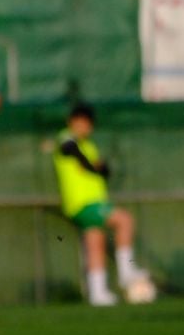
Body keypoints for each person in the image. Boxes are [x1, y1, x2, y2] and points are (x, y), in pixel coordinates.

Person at [52, 103, 153, 306]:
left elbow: (100, 170)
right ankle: (126, 272)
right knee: (125, 220)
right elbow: (69, 149)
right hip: (84, 203)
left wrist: (101, 168)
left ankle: (98, 293)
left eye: (88, 123)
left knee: (95, 243)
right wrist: (91, 166)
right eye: (81, 121)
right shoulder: (66, 138)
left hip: (91, 203)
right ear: (72, 122)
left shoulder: (89, 146)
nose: (85, 126)